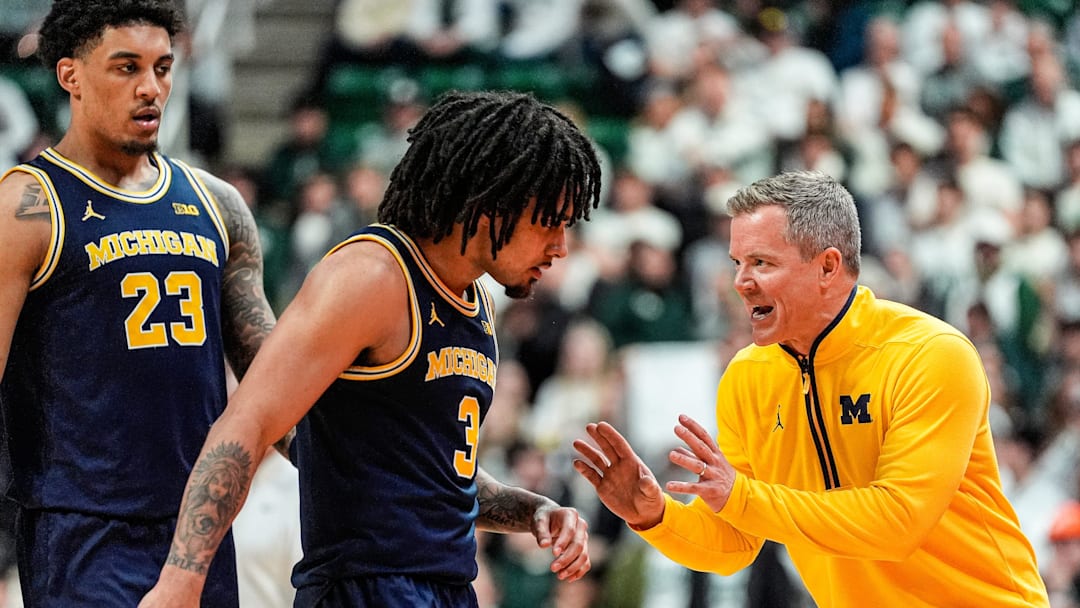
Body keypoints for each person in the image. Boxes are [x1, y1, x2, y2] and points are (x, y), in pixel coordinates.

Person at [140, 89, 602, 607]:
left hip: (448, 588)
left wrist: (535, 510)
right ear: (492, 203)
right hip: (363, 589)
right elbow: (246, 425)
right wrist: (181, 579)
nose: (561, 246)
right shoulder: (372, 276)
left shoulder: (475, 303)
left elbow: (442, 477)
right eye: (550, 222)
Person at [571, 170, 1051, 607]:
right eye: (737, 261)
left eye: (761, 262)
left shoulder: (931, 354)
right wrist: (656, 516)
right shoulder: (748, 376)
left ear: (827, 267)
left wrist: (742, 498)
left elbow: (898, 522)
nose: (740, 282)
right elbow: (735, 541)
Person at [0, 1, 281, 605]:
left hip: (199, 535)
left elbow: (274, 382)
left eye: (162, 66)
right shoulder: (27, 207)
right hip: (82, 532)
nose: (151, 88)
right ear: (70, 75)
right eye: (126, 67)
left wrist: (388, 479)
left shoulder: (218, 203)